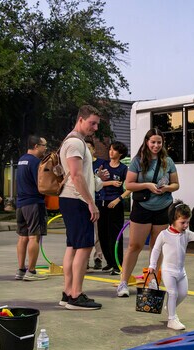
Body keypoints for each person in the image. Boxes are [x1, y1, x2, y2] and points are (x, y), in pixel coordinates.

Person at [116, 128, 180, 298]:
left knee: (157, 247)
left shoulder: (168, 161)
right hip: (142, 208)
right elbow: (128, 185)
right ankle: (123, 282)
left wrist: (167, 188)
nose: (156, 145)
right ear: (146, 142)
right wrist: (147, 185)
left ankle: (152, 280)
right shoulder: (138, 161)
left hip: (163, 208)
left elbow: (176, 185)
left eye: (159, 142)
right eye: (153, 142)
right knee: (134, 246)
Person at [148, 200, 194, 330]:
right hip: (168, 271)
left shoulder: (186, 234)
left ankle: (169, 308)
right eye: (182, 222)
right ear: (173, 219)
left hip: (181, 272)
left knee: (183, 293)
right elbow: (156, 249)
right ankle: (172, 319)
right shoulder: (164, 234)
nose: (186, 225)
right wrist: (152, 265)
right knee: (172, 293)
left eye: (187, 222)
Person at [58, 105, 102, 310]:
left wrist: (97, 182)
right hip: (77, 201)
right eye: (92, 123)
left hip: (71, 199)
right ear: (81, 120)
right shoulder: (76, 142)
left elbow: (80, 176)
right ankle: (76, 294)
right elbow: (75, 176)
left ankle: (68, 293)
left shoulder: (72, 141)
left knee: (73, 247)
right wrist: (91, 203)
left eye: (97, 124)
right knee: (84, 247)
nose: (95, 127)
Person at [15, 135, 49, 281]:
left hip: (21, 203)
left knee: (23, 237)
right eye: (44, 145)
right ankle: (32, 271)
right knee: (34, 236)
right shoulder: (36, 162)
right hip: (34, 202)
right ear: (36, 146)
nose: (45, 148)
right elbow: (41, 185)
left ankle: (21, 270)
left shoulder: (21, 160)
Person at [98, 141, 129, 275]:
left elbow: (129, 189)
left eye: (114, 150)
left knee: (115, 235)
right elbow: (97, 183)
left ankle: (118, 265)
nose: (111, 152)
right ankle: (109, 262)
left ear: (120, 154)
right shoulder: (103, 165)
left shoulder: (123, 169)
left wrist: (118, 199)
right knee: (102, 234)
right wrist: (105, 181)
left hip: (115, 204)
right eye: (110, 149)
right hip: (102, 202)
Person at [86, 137, 108, 271]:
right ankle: (85, 260)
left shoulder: (101, 163)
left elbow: (105, 181)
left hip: (98, 200)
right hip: (85, 202)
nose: (87, 150)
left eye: (89, 148)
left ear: (94, 150)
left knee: (98, 232)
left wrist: (99, 178)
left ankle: (98, 257)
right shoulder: (81, 163)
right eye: (85, 148)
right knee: (86, 232)